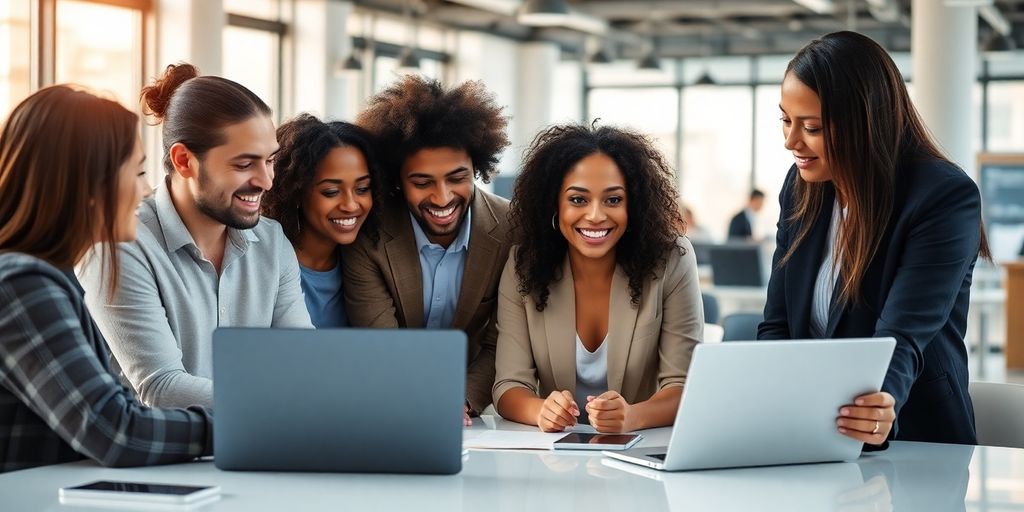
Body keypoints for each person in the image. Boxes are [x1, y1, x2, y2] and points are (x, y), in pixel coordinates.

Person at [758, 31, 989, 446]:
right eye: (786, 120)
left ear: (864, 122)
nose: (791, 141)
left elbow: (901, 336)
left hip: (915, 440)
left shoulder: (942, 197)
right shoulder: (801, 186)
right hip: (807, 434)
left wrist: (878, 404)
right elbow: (778, 324)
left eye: (811, 127)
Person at [0, 85, 212, 472]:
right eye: (138, 171)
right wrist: (248, 422)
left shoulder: (51, 278)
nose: (146, 191)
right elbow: (115, 430)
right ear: (90, 185)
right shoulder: (19, 285)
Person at [78, 63, 312, 410]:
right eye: (244, 164)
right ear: (185, 161)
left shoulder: (272, 241)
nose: (266, 181)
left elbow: (304, 361)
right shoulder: (120, 245)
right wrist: (279, 399)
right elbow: (160, 388)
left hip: (257, 441)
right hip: (159, 456)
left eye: (270, 161)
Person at [493, 123, 704, 433]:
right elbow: (509, 385)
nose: (595, 215)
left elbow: (684, 384)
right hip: (554, 458)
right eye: (578, 200)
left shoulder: (672, 259)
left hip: (644, 451)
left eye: (613, 200)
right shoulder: (523, 265)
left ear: (634, 205)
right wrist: (540, 410)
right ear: (554, 204)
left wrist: (633, 416)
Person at [345, 75, 515, 425]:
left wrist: (463, 400)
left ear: (477, 169)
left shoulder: (513, 229)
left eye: (457, 178)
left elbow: (503, 342)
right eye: (422, 183)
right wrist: (423, 400)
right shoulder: (370, 233)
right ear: (396, 180)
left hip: (472, 416)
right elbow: (381, 345)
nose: (442, 198)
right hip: (388, 404)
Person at [262, 114, 379, 328]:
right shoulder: (267, 261)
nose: (351, 205)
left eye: (362, 189)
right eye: (331, 192)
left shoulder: (367, 262)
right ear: (296, 192)